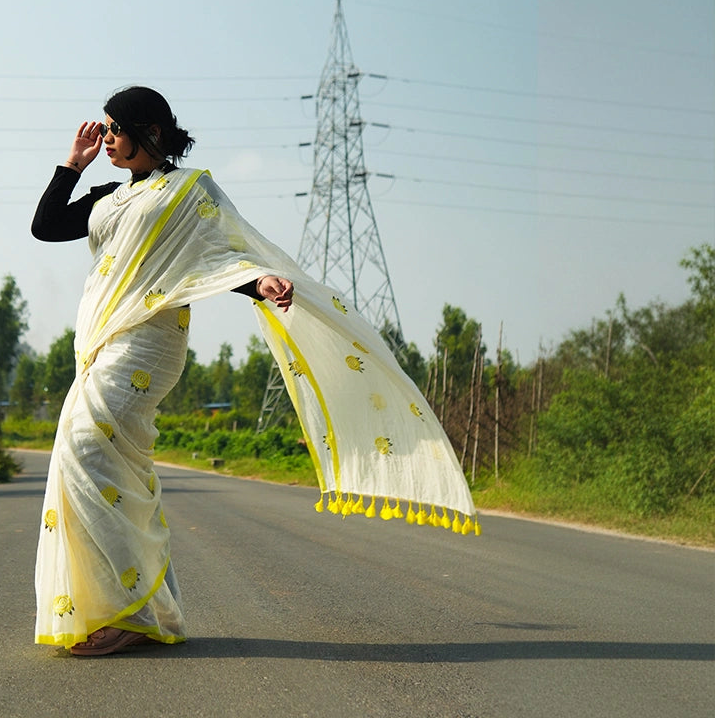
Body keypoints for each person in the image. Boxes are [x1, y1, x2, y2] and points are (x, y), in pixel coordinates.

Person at [31, 86, 477, 656]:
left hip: (147, 343)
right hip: (100, 341)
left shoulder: (189, 191)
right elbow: (46, 226)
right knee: (105, 464)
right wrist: (73, 165)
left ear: (152, 133)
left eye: (117, 128)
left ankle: (129, 611)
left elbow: (222, 254)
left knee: (85, 447)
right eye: (107, 128)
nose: (109, 137)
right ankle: (140, 609)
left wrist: (259, 281)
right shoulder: (109, 197)